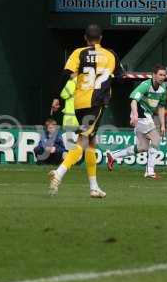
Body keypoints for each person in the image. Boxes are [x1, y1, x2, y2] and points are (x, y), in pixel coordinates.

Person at [48, 24, 123, 198]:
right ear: (101, 38)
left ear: (85, 38)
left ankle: (94, 187)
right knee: (83, 140)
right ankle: (59, 173)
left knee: (91, 141)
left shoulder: (78, 53)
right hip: (96, 102)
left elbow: (65, 74)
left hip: (79, 102)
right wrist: (110, 77)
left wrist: (56, 98)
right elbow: (120, 77)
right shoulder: (110, 54)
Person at [106, 65, 166, 179]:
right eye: (160, 74)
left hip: (147, 115)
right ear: (154, 75)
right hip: (140, 114)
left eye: (164, 75)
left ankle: (113, 155)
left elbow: (162, 107)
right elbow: (133, 100)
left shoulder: (163, 88)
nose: (162, 77)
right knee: (156, 139)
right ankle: (150, 171)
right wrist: (135, 114)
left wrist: (163, 124)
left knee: (143, 146)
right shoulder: (145, 85)